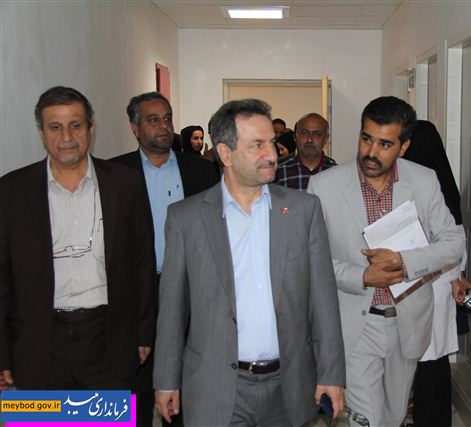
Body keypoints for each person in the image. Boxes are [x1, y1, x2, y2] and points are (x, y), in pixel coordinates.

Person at [153, 98, 346, 426]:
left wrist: (331, 373)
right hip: (215, 385)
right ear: (225, 154)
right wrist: (166, 379)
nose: (272, 155)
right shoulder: (187, 219)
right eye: (257, 145)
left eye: (271, 142)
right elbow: (173, 307)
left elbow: (323, 300)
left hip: (289, 384)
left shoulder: (303, 211)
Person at [307, 96, 465, 427]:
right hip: (356, 325)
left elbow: (453, 243)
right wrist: (363, 277)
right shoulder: (324, 185)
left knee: (393, 416)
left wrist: (404, 262)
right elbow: (313, 260)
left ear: (403, 146)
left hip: (407, 322)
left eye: (385, 144)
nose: (371, 152)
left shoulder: (423, 181)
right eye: (366, 139)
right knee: (367, 418)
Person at [0, 86, 155, 391]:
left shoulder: (126, 184)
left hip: (109, 341)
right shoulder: (11, 191)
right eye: (55, 127)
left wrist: (144, 334)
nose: (66, 137)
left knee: (107, 417)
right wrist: (2, 354)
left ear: (90, 128)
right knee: (38, 417)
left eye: (75, 125)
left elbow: (143, 263)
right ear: (41, 132)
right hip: (36, 345)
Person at [111, 91, 219, 427]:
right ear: (135, 127)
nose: (163, 126)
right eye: (153, 119)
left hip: (189, 291)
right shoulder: (115, 173)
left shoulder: (202, 171)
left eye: (167, 118)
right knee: (135, 388)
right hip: (137, 294)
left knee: (185, 384)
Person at [403, 120, 471, 427]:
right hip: (436, 280)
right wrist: (457, 275)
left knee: (425, 359)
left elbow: (450, 237)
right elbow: (457, 235)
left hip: (424, 282)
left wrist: (455, 275)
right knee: (431, 360)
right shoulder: (441, 181)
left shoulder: (421, 183)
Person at [275, 113, 337, 190]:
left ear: (325, 139)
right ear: (295, 137)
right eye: (304, 133)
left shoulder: (336, 173)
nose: (310, 139)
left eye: (317, 134)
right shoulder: (279, 173)